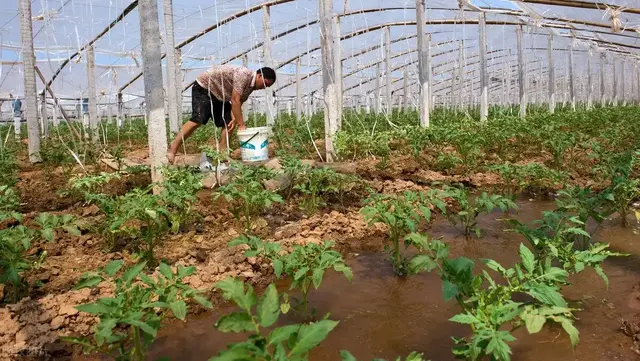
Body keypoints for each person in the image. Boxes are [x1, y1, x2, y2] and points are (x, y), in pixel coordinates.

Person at [167, 65, 277, 164]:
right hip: (204, 88)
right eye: (265, 83)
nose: (264, 87)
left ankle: (223, 155)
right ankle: (173, 149)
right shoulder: (244, 75)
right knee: (198, 119)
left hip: (219, 95)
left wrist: (234, 119)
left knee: (228, 122)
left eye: (267, 86)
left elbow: (239, 103)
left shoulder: (250, 87)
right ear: (259, 75)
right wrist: (241, 125)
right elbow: (235, 100)